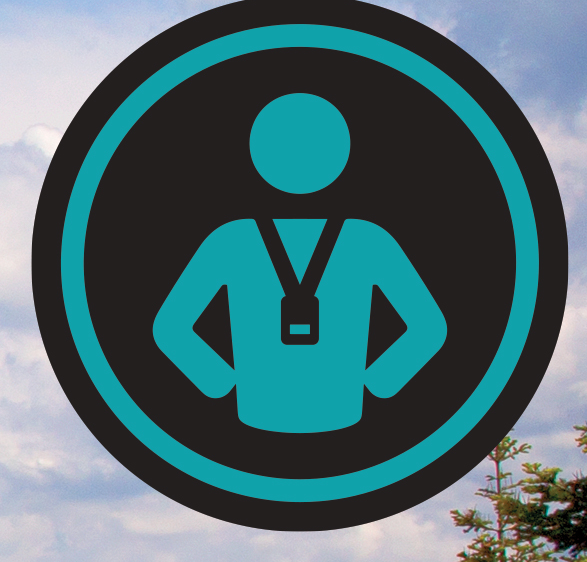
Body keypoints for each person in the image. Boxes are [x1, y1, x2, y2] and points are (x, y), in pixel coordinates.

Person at [151, 92, 444, 435]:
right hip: (341, 407)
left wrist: (222, 383)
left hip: (258, 408)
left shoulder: (231, 240)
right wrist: (377, 383)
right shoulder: (368, 239)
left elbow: (170, 328)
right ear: (340, 154)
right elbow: (429, 328)